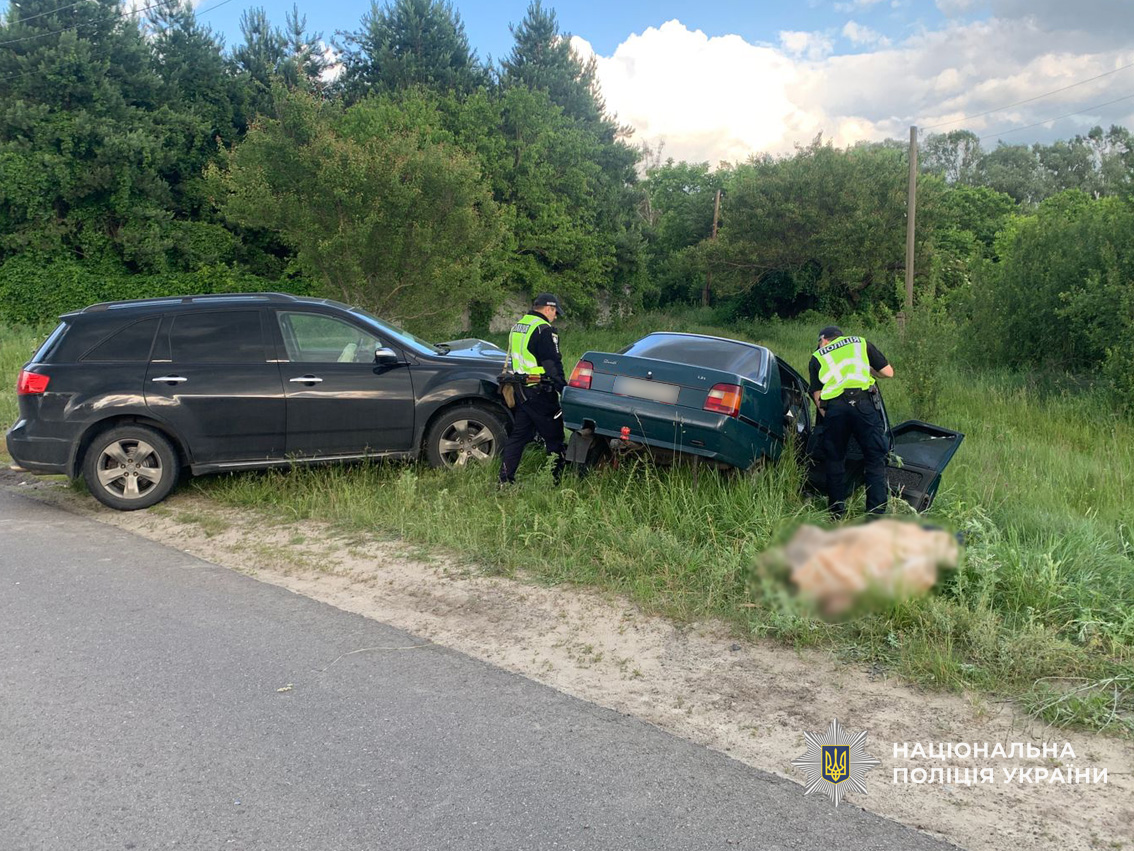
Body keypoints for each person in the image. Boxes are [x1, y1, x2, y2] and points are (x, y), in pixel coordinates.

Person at [809, 325, 895, 518]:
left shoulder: (817, 356)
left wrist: (830, 417)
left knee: (835, 459)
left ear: (824, 340)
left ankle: (836, 513)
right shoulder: (860, 343)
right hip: (863, 404)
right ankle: (875, 514)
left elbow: (818, 396)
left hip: (835, 408)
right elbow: (888, 372)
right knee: (875, 459)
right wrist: (868, 369)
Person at [498, 293, 568, 484]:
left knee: (518, 437)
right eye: (555, 312)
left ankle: (505, 480)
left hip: (521, 391)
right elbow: (552, 364)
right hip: (541, 392)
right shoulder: (543, 329)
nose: (555, 317)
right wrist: (564, 389)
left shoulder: (518, 326)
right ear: (548, 308)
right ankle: (555, 480)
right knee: (554, 437)